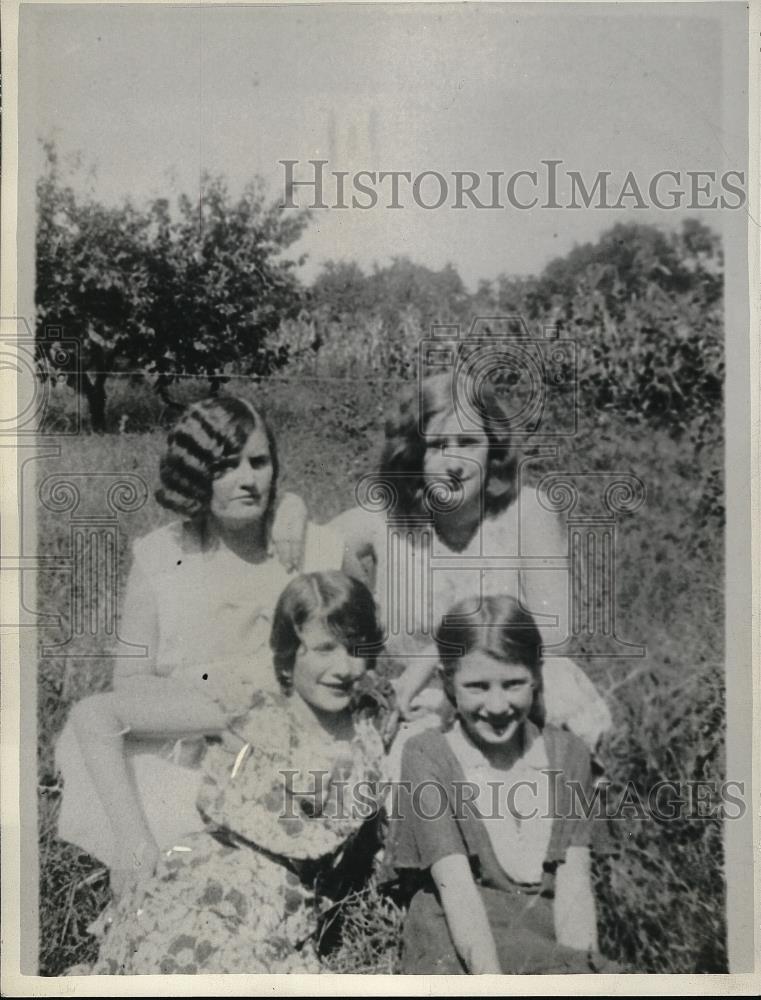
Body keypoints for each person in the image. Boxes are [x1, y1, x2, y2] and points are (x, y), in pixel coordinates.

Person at [55, 396, 341, 893]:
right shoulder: (163, 556)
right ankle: (135, 850)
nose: (247, 480)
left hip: (281, 733)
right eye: (224, 466)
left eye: (259, 462)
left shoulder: (307, 547)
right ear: (194, 474)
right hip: (184, 724)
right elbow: (132, 679)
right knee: (95, 732)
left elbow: (346, 653)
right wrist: (214, 712)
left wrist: (293, 506)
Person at [68, 571, 387, 975]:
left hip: (282, 917)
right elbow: (95, 715)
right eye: (324, 649)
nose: (344, 667)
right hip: (202, 895)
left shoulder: (368, 727)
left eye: (356, 648)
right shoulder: (252, 708)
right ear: (289, 653)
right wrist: (133, 843)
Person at [332, 370, 611, 752]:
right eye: (437, 445)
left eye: (468, 443)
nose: (454, 463)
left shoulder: (527, 512)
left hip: (512, 702)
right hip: (421, 707)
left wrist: (437, 654)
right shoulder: (385, 520)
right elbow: (308, 547)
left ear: (493, 450)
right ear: (414, 453)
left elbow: (554, 634)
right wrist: (289, 512)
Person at [390, 595, 617, 975]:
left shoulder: (568, 754)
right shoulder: (427, 754)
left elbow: (574, 888)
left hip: (541, 937)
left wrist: (579, 972)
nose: (497, 707)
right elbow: (456, 888)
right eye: (477, 687)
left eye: (513, 684)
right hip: (461, 936)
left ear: (537, 676)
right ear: (448, 682)